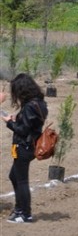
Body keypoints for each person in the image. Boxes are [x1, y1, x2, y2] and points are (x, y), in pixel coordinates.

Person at [2, 73, 48, 223]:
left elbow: (22, 130)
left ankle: (25, 214)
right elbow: (30, 124)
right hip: (28, 145)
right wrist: (19, 119)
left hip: (24, 147)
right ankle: (19, 209)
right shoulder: (39, 103)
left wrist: (9, 122)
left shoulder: (29, 106)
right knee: (14, 176)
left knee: (21, 180)